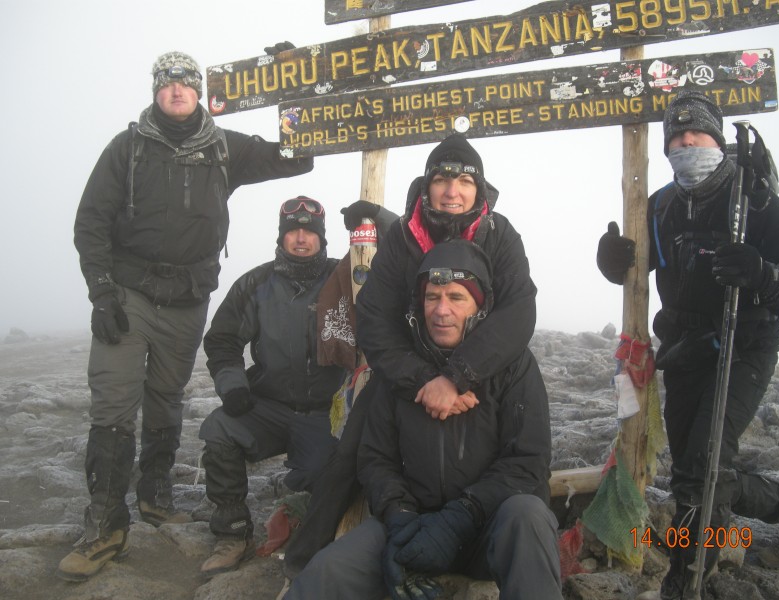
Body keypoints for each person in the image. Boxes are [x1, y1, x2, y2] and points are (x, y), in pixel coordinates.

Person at [62, 51, 313, 582]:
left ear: (199, 91)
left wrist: (296, 92)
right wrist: (101, 291)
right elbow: (91, 221)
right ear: (156, 90)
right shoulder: (127, 149)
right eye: (167, 81)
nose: (176, 89)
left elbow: (297, 157)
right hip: (128, 293)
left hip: (188, 298)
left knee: (166, 396)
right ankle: (104, 526)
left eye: (185, 81)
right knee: (112, 402)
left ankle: (155, 496)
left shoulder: (225, 149)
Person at [281, 134, 537, 577]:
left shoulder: (500, 234)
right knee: (349, 456)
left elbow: (518, 311)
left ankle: (482, 535)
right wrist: (422, 379)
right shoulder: (402, 236)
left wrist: (458, 376)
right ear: (426, 185)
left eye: (464, 181)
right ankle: (305, 560)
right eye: (441, 179)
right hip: (408, 364)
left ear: (481, 190)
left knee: (510, 447)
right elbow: (376, 318)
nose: (452, 191)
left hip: (484, 365)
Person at [596, 90, 779, 598]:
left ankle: (685, 582)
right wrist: (611, 262)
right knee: (698, 468)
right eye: (678, 139)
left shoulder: (758, 200)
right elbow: (636, 269)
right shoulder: (659, 205)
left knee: (702, 472)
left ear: (717, 137)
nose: (689, 144)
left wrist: (764, 275)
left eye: (698, 135)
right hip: (684, 347)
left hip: (745, 344)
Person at [284, 239, 561, 600]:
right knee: (328, 572)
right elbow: (375, 458)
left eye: (456, 298)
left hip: (485, 527)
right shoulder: (400, 369)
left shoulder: (514, 367)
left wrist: (460, 517)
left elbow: (528, 462)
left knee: (529, 515)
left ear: (480, 305)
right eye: (432, 297)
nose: (441, 310)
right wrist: (400, 515)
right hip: (409, 529)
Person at [197, 197, 347, 577]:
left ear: (321, 237)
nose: (301, 239)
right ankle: (232, 533)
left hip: (325, 412)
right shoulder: (255, 283)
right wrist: (232, 385)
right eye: (293, 231)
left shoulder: (345, 279)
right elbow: (223, 340)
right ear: (281, 236)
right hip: (268, 406)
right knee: (219, 429)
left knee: (322, 479)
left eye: (309, 232)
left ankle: (305, 520)